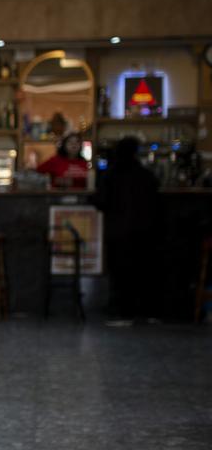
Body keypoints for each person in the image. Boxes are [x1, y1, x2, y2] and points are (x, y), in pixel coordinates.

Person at [91, 136, 162, 320]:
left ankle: (122, 312)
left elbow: (102, 201)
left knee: (120, 272)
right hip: (145, 230)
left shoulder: (111, 174)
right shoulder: (146, 175)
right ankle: (144, 310)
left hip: (118, 231)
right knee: (142, 271)